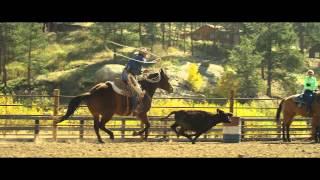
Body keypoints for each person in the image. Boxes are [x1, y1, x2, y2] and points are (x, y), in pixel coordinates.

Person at [121, 47, 156, 114]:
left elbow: (136, 69)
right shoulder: (140, 58)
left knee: (137, 90)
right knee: (138, 91)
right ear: (144, 54)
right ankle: (134, 109)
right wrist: (155, 61)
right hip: (129, 75)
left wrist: (143, 71)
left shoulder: (136, 57)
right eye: (146, 53)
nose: (146, 55)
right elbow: (147, 63)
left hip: (126, 74)